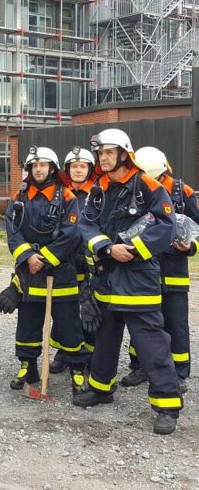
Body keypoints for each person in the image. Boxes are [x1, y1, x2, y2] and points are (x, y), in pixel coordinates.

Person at [75, 128, 182, 435]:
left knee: (151, 343)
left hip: (138, 277)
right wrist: (107, 248)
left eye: (108, 152)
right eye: (100, 153)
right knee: (105, 340)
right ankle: (101, 388)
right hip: (107, 274)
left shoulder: (147, 185)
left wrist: (133, 250)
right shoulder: (99, 188)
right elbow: (87, 224)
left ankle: (167, 404)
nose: (103, 158)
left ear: (124, 153)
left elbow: (166, 224)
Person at [2, 146, 89, 396]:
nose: (38, 169)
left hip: (61, 272)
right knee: (27, 323)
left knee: (69, 326)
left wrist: (46, 258)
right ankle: (28, 366)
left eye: (43, 165)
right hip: (30, 272)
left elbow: (71, 234)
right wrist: (28, 257)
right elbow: (12, 231)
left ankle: (76, 369)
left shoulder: (68, 197)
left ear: (52, 168)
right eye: (34, 165)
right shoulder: (20, 197)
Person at [120, 146, 198, 394]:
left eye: (158, 179)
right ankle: (140, 365)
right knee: (143, 318)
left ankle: (179, 371)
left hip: (173, 268)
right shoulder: (133, 187)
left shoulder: (182, 191)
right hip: (142, 267)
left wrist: (191, 246)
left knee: (176, 323)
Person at [49, 146, 98, 374]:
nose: (78, 170)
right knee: (63, 311)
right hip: (64, 261)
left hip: (89, 263)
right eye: (74, 166)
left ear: (90, 169)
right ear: (67, 169)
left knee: (90, 311)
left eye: (83, 166)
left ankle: (89, 355)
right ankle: (65, 352)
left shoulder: (98, 193)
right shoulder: (59, 193)